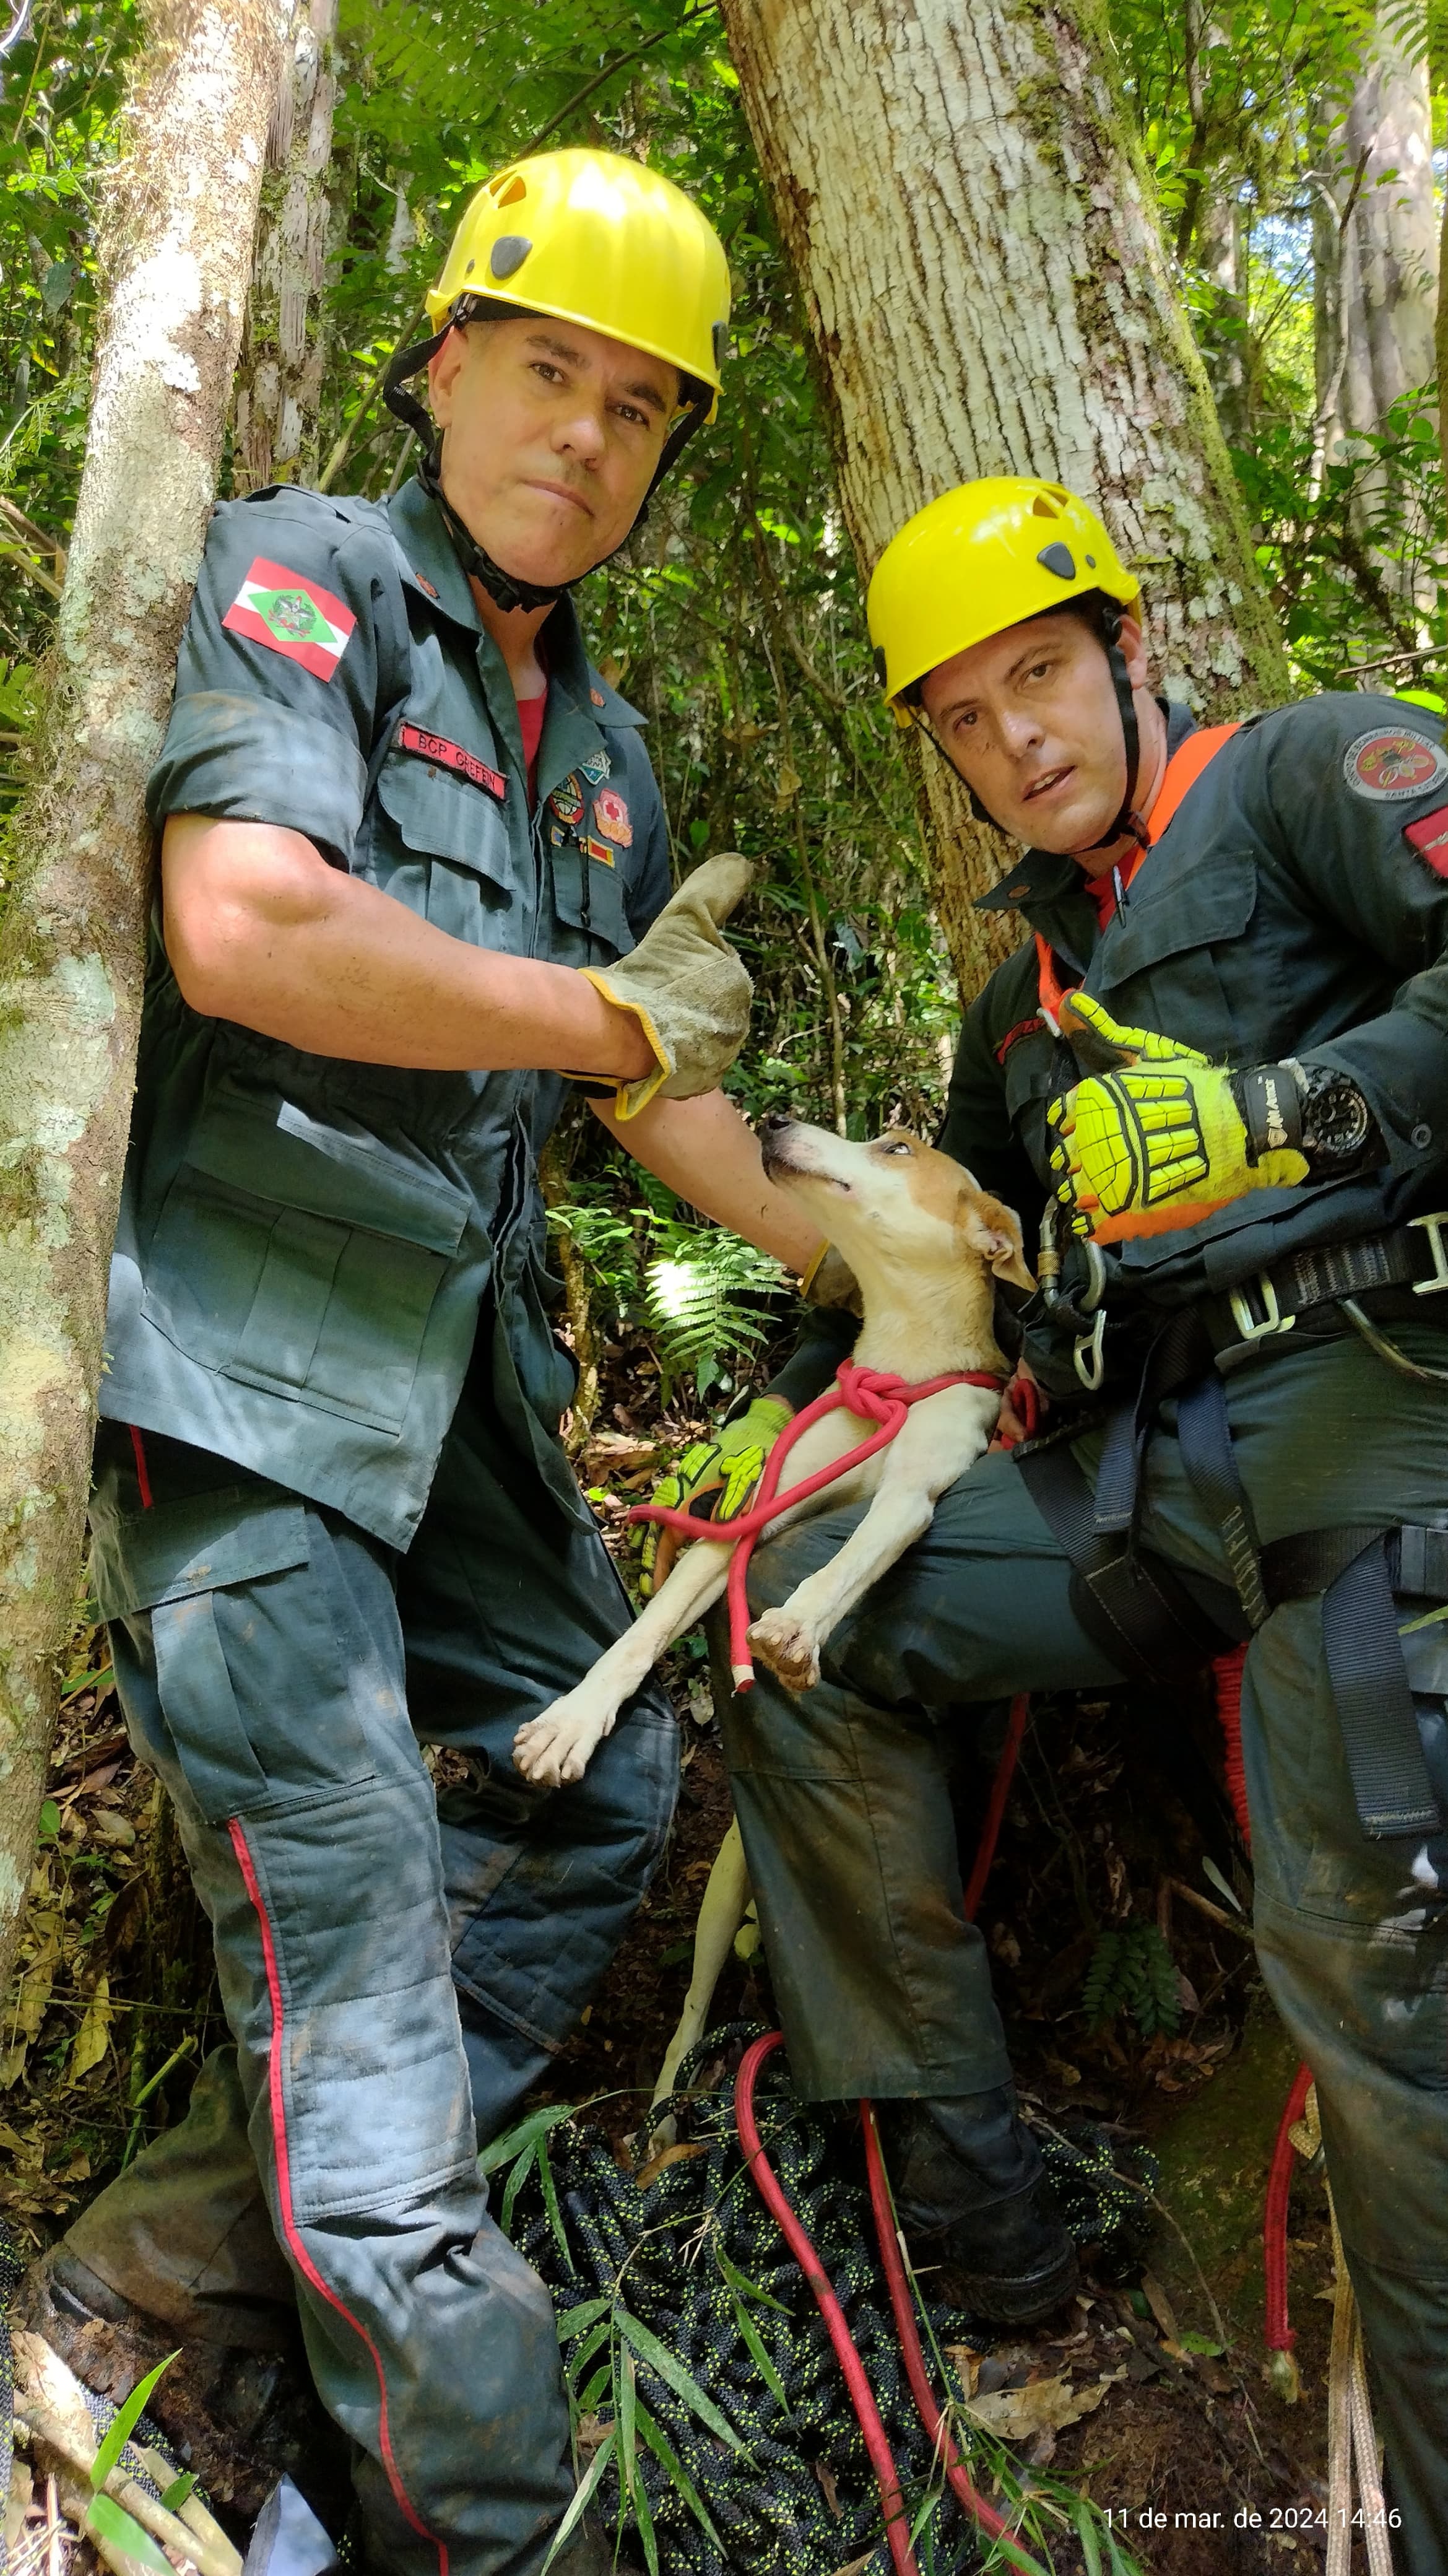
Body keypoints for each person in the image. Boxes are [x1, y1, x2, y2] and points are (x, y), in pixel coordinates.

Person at [20, 149, 825, 2576]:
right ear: (449, 359)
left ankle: (166, 2271)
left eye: (640, 409)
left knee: (599, 1782)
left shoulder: (604, 752)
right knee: (361, 1928)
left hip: (456, 1412)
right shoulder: (306, 575)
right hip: (256, 1377)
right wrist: (598, 1007)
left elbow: (657, 1093)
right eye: (547, 369)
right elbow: (248, 922)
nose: (585, 437)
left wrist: (916, 1253)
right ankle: (488, 2509)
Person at [652, 476, 1448, 2565]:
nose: (1017, 734)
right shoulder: (1012, 1002)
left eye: (1038, 673)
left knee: (1376, 1982)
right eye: (965, 713)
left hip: (1385, 1425)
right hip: (1147, 1484)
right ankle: (1002, 2262)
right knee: (795, 1631)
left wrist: (1298, 1109)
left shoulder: (1304, 773)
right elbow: (944, 1274)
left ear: (1121, 645)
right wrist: (780, 1414)